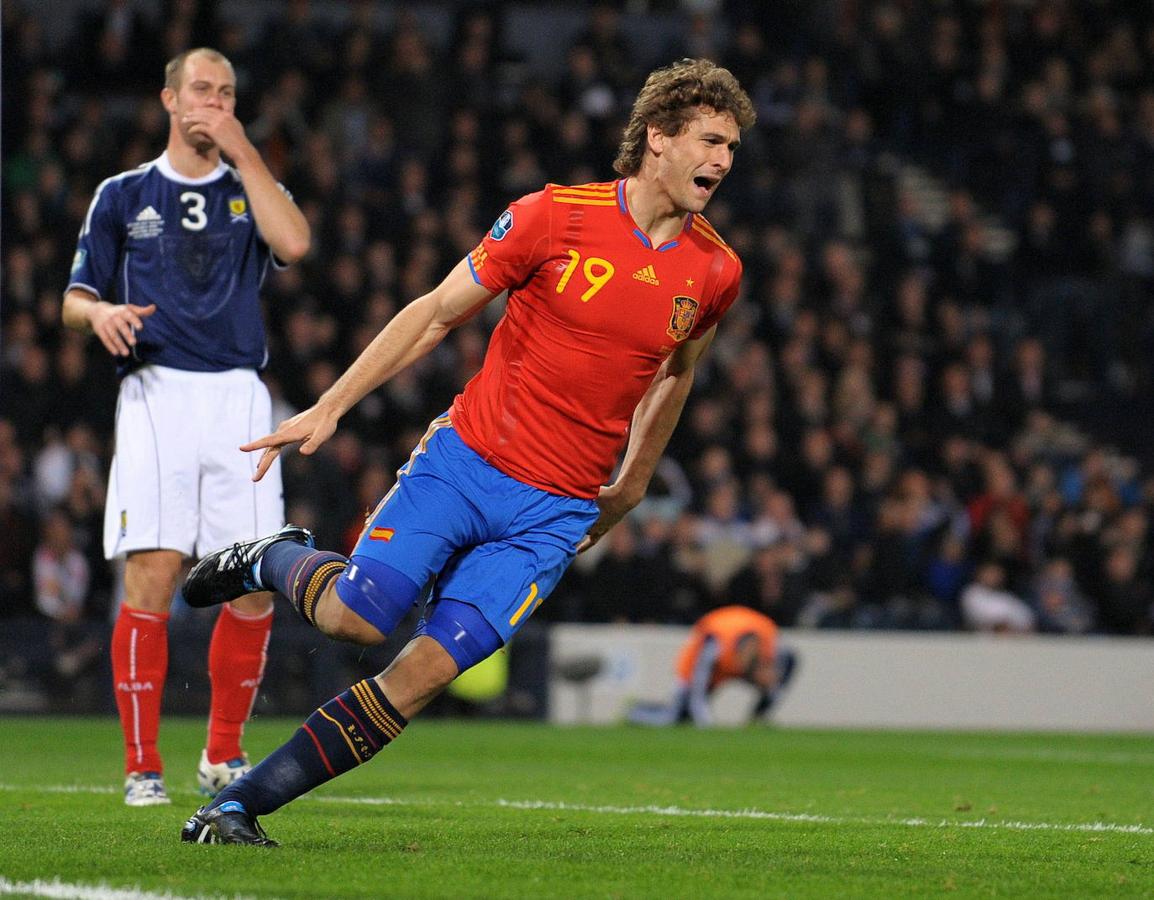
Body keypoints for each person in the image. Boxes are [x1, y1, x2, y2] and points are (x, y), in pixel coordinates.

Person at [178, 57, 755, 846]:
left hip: (554, 515)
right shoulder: (553, 217)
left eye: (732, 148)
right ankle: (272, 557)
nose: (723, 161)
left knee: (421, 677)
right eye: (711, 140)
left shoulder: (716, 271)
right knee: (355, 619)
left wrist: (631, 483)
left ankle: (238, 805)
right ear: (657, 137)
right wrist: (332, 405)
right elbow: (436, 312)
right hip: (467, 462)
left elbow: (677, 375)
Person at [62, 47, 310, 806]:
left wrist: (243, 148)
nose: (215, 102)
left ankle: (223, 754)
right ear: (170, 100)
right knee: (154, 573)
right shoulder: (122, 193)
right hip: (157, 392)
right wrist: (100, 311)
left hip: (238, 397)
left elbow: (295, 243)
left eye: (228, 93)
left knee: (253, 584)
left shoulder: (250, 183)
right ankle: (143, 765)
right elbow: (73, 300)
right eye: (202, 89)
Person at [628, 605, 797, 727]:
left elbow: (790, 659)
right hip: (701, 672)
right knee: (677, 717)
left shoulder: (768, 636)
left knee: (780, 675)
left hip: (735, 667)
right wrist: (706, 724)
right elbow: (698, 687)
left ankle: (758, 719)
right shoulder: (715, 642)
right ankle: (635, 711)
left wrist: (774, 686)